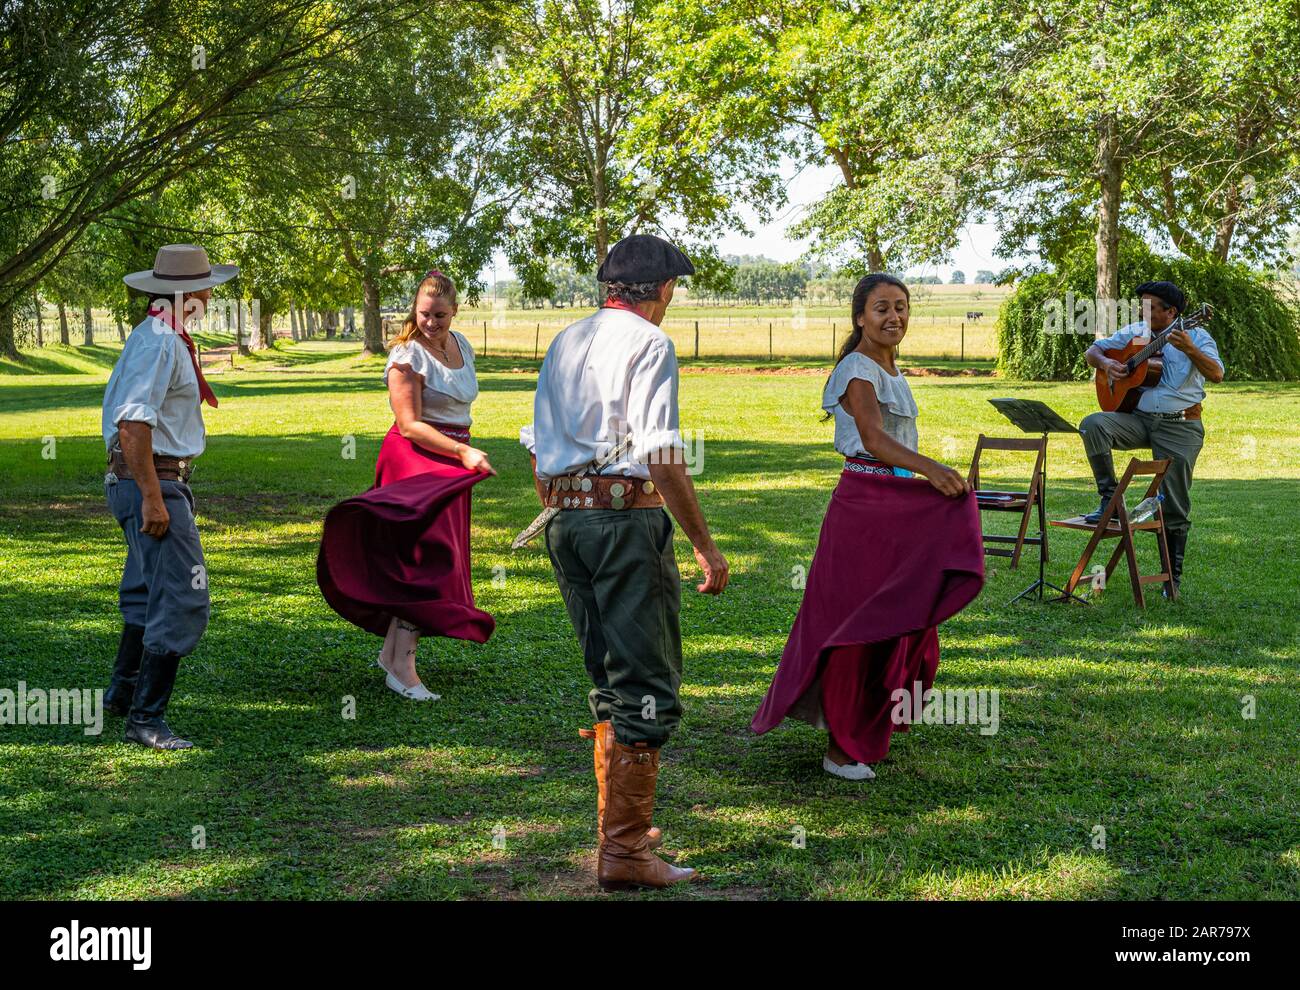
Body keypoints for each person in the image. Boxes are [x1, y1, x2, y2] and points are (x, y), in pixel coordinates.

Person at [520, 234, 728, 891]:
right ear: (662, 290)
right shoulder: (650, 344)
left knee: (608, 674)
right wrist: (703, 542)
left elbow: (535, 446)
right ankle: (626, 851)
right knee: (645, 681)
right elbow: (662, 452)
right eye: (674, 290)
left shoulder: (567, 340)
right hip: (624, 522)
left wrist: (566, 506)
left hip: (566, 522)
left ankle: (619, 827)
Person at [751, 273, 985, 780]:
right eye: (882, 308)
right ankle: (840, 748)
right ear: (860, 316)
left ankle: (867, 726)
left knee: (900, 618)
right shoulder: (858, 369)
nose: (894, 317)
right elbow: (874, 440)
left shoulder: (891, 369)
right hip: (865, 505)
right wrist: (933, 468)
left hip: (895, 504)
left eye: (901, 308)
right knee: (860, 625)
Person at [317, 270, 495, 701]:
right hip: (417, 462)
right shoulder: (405, 355)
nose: (432, 322)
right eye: (424, 314)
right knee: (424, 565)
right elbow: (410, 424)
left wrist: (463, 453)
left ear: (454, 311)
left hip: (453, 464)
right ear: (415, 311)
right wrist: (462, 454)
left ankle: (393, 654)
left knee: (430, 559)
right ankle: (403, 669)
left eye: (440, 315)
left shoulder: (461, 345)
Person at [103, 244, 238, 750]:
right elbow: (133, 420)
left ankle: (122, 696)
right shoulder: (160, 340)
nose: (210, 295)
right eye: (206, 287)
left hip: (146, 480)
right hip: (151, 482)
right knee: (183, 596)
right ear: (188, 294)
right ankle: (146, 719)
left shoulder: (160, 335)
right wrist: (153, 497)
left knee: (145, 591)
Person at [1078, 280, 1223, 594]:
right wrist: (1107, 364)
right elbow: (1093, 351)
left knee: (1173, 505)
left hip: (1180, 426)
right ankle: (1109, 501)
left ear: (1171, 312)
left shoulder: (1197, 334)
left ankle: (1171, 579)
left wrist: (1190, 349)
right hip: (1140, 420)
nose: (1142, 311)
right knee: (1093, 425)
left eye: (1150, 306)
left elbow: (1217, 374)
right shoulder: (1135, 332)